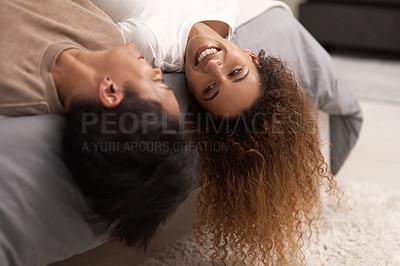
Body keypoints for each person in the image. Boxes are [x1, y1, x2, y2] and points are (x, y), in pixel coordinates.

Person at [92, 0, 342, 264]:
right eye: (236, 72)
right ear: (252, 56)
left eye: (210, 89)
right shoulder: (228, 9)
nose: (214, 67)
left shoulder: (150, 43)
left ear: (192, 93)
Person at [0, 0, 199, 250]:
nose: (159, 73)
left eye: (158, 84)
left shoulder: (10, 81)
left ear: (111, 91)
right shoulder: (107, 37)